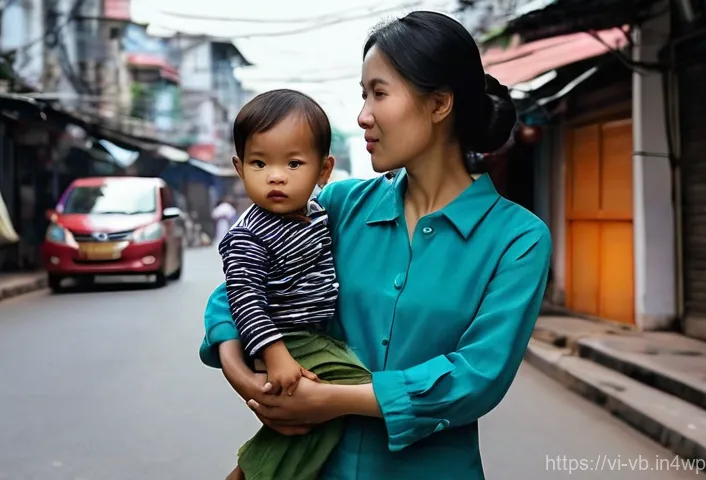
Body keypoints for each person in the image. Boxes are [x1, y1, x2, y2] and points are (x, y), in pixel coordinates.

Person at [200, 10, 552, 480]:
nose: (363, 116)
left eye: (379, 93)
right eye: (363, 95)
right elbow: (242, 287)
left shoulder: (517, 239)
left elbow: (476, 378)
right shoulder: (340, 206)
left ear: (439, 103)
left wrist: (329, 400)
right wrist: (239, 371)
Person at [215, 89, 373, 480]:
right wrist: (275, 356)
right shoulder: (249, 236)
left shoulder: (317, 212)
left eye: (294, 163)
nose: (275, 176)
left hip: (313, 338)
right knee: (359, 389)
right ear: (239, 168)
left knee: (322, 415)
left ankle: (252, 471)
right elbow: (244, 300)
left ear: (323, 170)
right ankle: (252, 472)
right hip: (287, 340)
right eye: (259, 162)